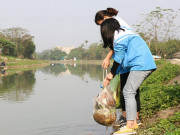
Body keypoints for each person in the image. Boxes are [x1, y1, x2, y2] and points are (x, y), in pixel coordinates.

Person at [100, 18, 156, 134]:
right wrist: (110, 77)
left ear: (106, 30)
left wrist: (111, 74)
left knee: (128, 91)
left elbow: (118, 57)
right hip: (140, 64)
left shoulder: (119, 37)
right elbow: (121, 63)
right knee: (129, 91)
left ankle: (130, 126)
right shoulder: (123, 34)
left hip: (141, 64)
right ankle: (134, 123)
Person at [95, 8, 141, 126]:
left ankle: (133, 120)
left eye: (101, 25)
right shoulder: (116, 24)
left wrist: (111, 69)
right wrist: (109, 59)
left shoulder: (117, 24)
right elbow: (117, 46)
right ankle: (128, 118)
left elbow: (119, 46)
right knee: (126, 90)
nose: (102, 29)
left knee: (129, 91)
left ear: (105, 19)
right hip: (127, 61)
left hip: (131, 61)